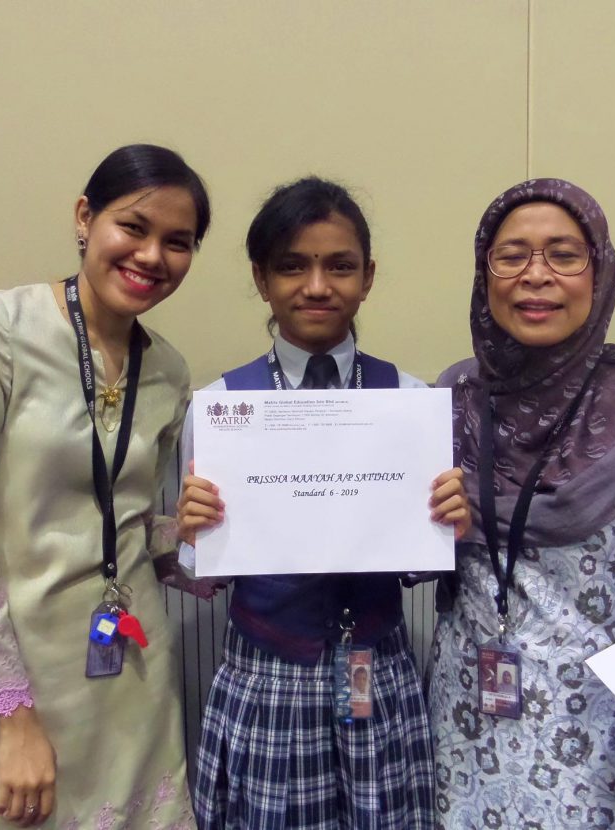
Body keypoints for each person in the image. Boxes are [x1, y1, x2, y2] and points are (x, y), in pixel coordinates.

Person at [0, 144, 210, 829]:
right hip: (14, 687)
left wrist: (185, 531)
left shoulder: (167, 371)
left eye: (177, 242)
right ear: (85, 217)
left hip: (130, 682)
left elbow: (124, 527)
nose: (151, 257)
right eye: (132, 228)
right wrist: (12, 719)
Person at [426, 178, 615, 829]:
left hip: (613, 738)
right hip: (472, 716)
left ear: (600, 270)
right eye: (512, 255)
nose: (537, 276)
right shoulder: (452, 399)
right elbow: (412, 557)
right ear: (485, 273)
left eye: (564, 254)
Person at [177, 177, 470, 829]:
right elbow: (202, 572)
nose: (316, 286)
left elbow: (423, 564)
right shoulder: (222, 406)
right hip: (268, 675)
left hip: (377, 668)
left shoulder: (410, 401)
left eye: (339, 266)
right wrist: (192, 534)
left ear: (368, 277)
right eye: (292, 266)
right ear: (261, 279)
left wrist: (450, 525)